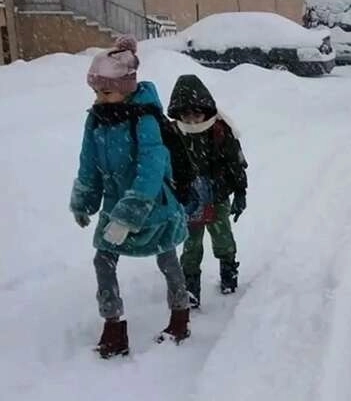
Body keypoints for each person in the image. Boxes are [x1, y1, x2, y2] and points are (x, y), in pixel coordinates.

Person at [70, 36, 191, 359]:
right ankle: (113, 328)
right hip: (115, 205)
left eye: (106, 92)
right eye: (96, 92)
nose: (99, 98)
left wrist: (130, 214)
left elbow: (152, 167)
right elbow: (88, 162)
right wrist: (83, 200)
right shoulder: (96, 118)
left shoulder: (145, 119)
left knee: (167, 257)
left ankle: (180, 317)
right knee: (103, 260)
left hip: (153, 206)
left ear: (126, 88)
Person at [166, 74, 248, 308]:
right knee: (191, 243)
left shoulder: (220, 131)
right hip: (187, 198)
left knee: (222, 236)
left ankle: (228, 272)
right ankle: (191, 287)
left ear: (206, 111)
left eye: (197, 114)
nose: (192, 120)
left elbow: (235, 163)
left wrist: (240, 192)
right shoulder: (172, 133)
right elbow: (163, 164)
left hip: (217, 195)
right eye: (186, 115)